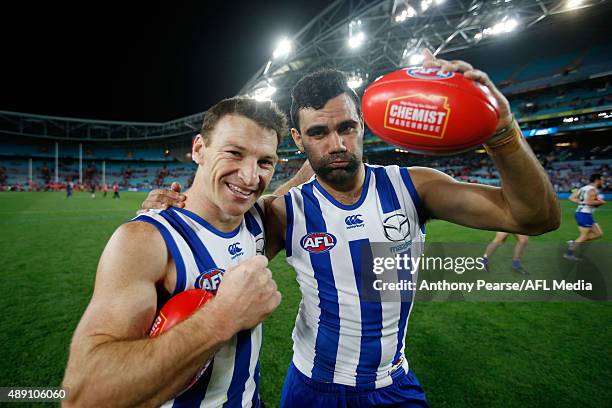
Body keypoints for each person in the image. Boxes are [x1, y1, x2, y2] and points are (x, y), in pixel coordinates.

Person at [144, 50, 560, 407]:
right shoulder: (284, 212)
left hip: (392, 384)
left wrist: (502, 129)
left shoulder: (414, 186)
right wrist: (173, 207)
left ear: (361, 125)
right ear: (298, 139)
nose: (337, 144)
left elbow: (534, 217)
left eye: (346, 127)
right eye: (319, 133)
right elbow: (211, 239)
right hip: (312, 387)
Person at [62, 97, 298, 407]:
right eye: (234, 153)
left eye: (265, 162)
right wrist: (222, 317)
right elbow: (82, 397)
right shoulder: (145, 241)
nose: (250, 176)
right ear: (199, 149)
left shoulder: (259, 222)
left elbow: (308, 175)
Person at [564, 173, 606, 261]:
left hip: (585, 213)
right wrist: (601, 202)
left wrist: (581, 202)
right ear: (597, 180)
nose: (603, 181)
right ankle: (569, 254)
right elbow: (589, 202)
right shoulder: (592, 190)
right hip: (584, 214)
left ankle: (573, 243)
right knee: (584, 236)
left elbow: (571, 197)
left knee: (598, 234)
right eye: (602, 179)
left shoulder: (584, 188)